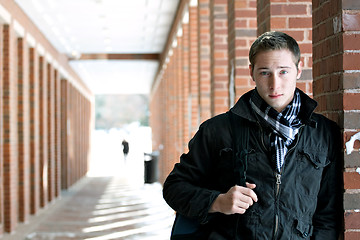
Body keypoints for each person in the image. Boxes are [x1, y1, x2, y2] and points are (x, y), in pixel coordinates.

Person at [163, 31, 342, 239]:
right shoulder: (218, 130)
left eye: (283, 71)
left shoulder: (324, 133)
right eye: (265, 72)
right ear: (252, 72)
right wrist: (217, 201)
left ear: (299, 69)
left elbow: (328, 215)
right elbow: (174, 188)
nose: (274, 84)